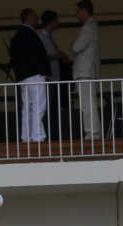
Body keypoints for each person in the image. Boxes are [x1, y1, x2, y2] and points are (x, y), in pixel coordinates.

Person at [10, 8, 51, 142]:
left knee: (27, 107)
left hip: (23, 77)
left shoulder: (17, 36)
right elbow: (37, 55)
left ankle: (26, 136)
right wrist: (43, 70)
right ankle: (37, 136)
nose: (37, 18)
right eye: (35, 16)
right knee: (38, 105)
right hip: (35, 75)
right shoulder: (30, 34)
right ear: (29, 18)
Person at [72, 0, 101, 140]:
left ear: (84, 10)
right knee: (87, 103)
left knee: (87, 103)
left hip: (85, 71)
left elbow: (76, 47)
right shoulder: (91, 26)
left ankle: (92, 132)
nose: (76, 14)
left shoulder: (88, 27)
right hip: (87, 71)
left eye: (78, 11)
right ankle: (92, 132)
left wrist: (72, 45)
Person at [39, 10, 68, 139]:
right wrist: (58, 55)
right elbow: (44, 57)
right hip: (49, 79)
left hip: (55, 79)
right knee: (48, 109)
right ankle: (48, 136)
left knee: (54, 109)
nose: (58, 23)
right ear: (51, 22)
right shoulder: (42, 38)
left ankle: (54, 136)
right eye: (56, 20)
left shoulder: (49, 37)